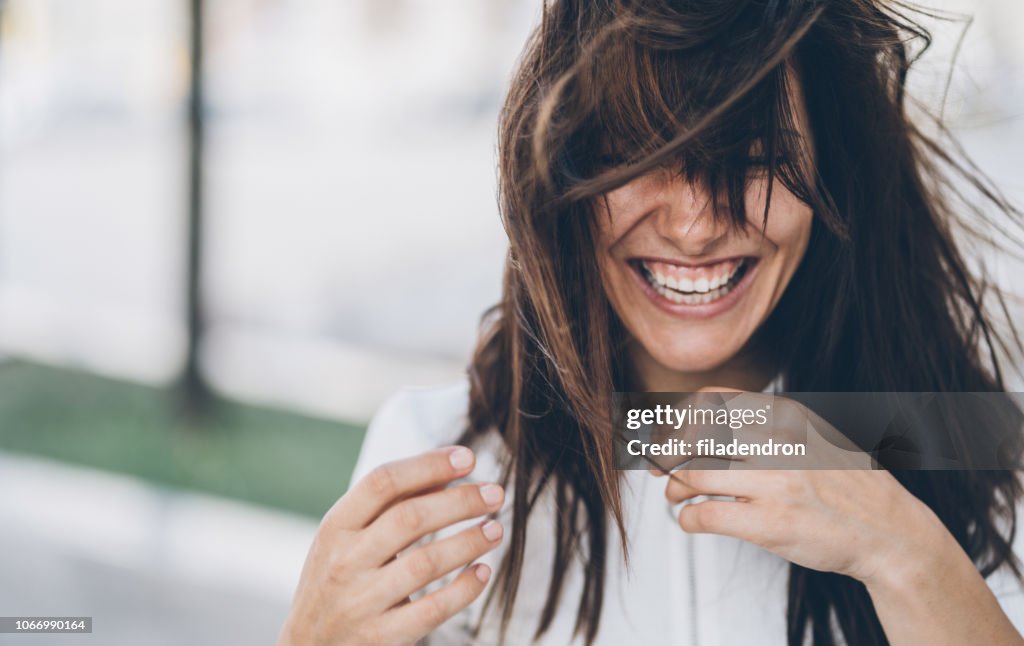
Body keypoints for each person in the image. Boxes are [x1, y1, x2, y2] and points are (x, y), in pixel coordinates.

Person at [279, 1, 1024, 644]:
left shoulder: (967, 443)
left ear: (832, 164)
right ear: (561, 164)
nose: (696, 224)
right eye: (641, 153)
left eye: (756, 156)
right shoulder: (439, 462)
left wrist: (902, 552)